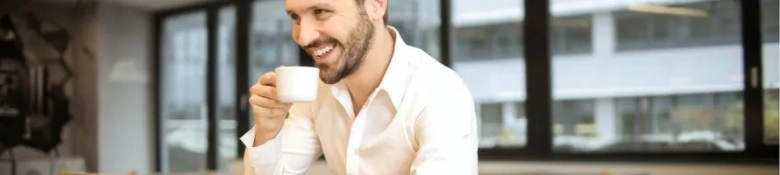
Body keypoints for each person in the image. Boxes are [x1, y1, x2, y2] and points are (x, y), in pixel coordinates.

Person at [241, 0, 478, 174]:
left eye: (321, 12)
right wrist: (268, 131)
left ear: (376, 5)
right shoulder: (316, 91)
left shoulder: (441, 94)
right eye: (295, 17)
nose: (303, 37)